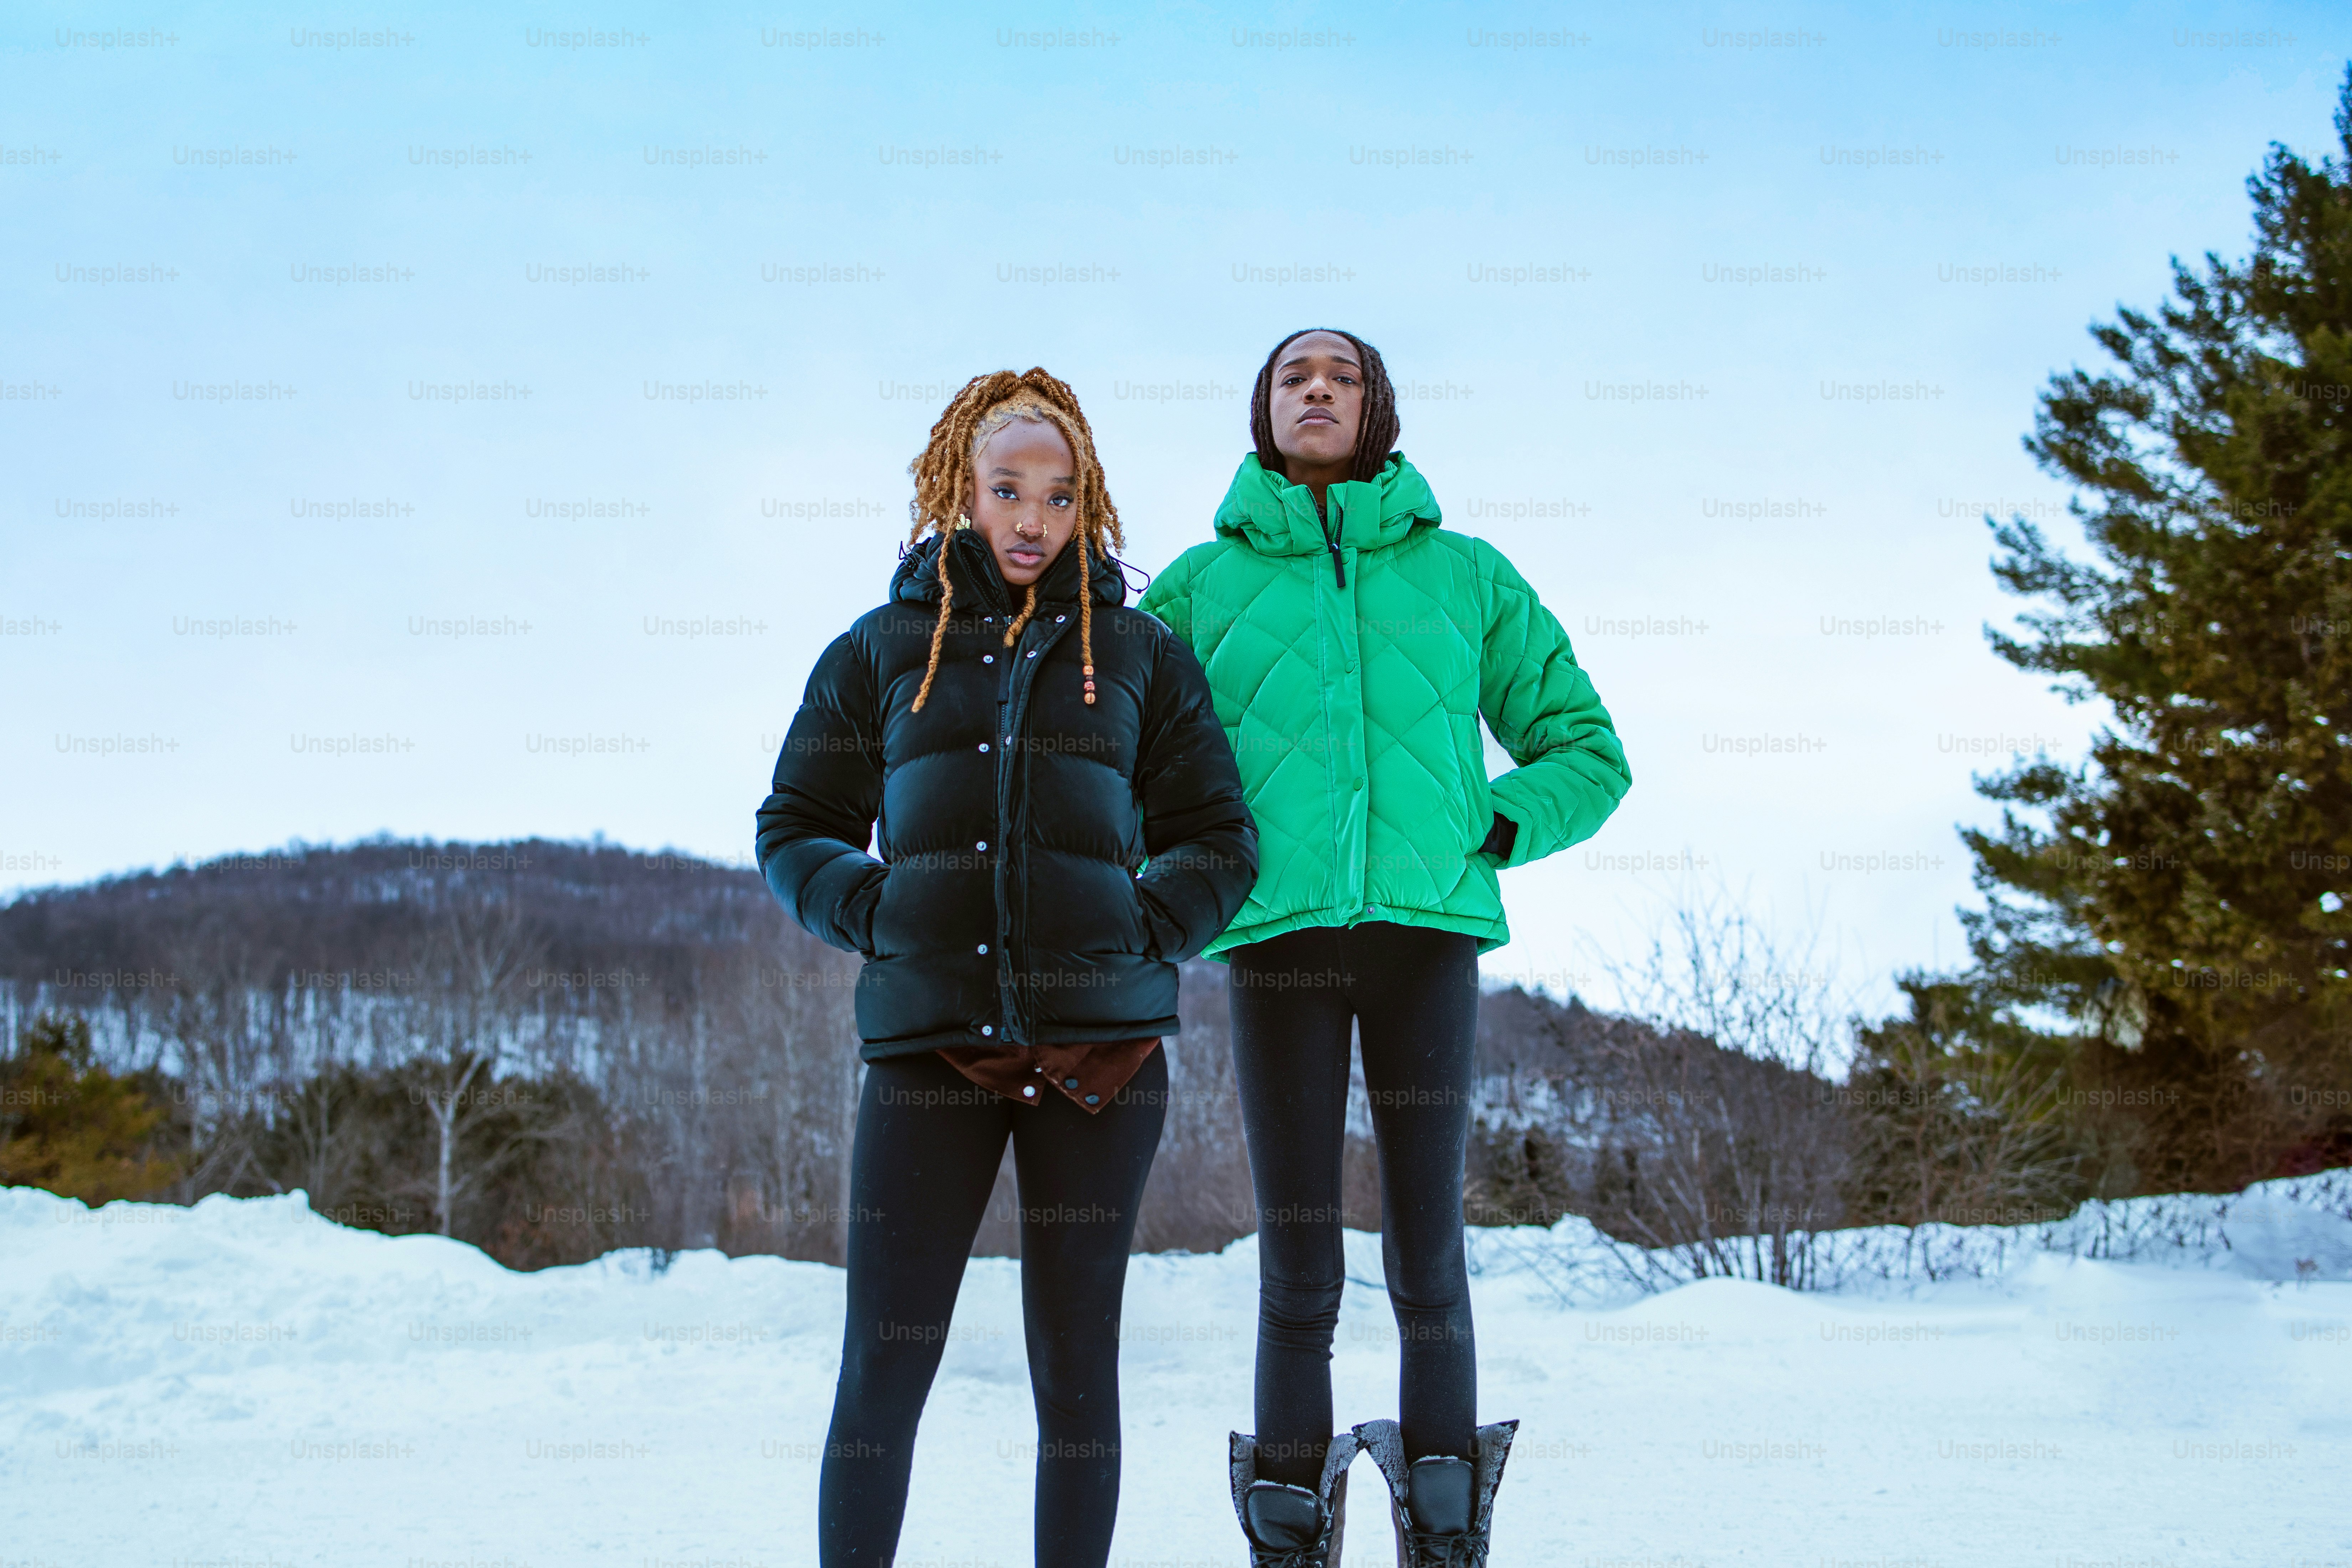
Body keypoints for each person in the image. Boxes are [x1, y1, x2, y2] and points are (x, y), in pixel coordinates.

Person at [1139, 329, 1631, 1567]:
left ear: (1380, 412)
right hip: (1280, 950)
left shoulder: (1465, 575)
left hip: (1425, 947)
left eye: (1344, 376)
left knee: (1426, 1251)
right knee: (1299, 1254)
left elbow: (1587, 747)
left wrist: (1496, 821)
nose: (1318, 389)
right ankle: (1290, 1530)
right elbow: (1118, 755)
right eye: (1294, 376)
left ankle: (1447, 1530)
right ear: (1263, 410)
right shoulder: (1196, 589)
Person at [756, 368, 1257, 1568]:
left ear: (1089, 504)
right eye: (1008, 489)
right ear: (961, 492)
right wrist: (875, 909)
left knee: (1077, 1367)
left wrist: (1143, 927)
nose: (1034, 518)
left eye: (1060, 494)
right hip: (930, 1046)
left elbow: (1219, 837)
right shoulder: (880, 650)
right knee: (884, 1361)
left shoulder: (1141, 653)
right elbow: (796, 824)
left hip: (1102, 1056)